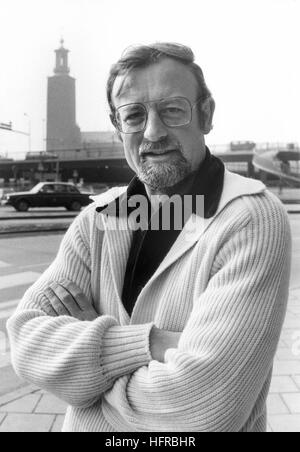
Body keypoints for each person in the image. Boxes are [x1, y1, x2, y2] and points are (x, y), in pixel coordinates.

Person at [7, 43, 291, 432]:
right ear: (117, 126)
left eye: (173, 110)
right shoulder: (98, 218)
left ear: (206, 115)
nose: (153, 132)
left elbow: (204, 410)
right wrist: (152, 344)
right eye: (134, 115)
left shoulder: (250, 219)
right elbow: (25, 342)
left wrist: (87, 368)